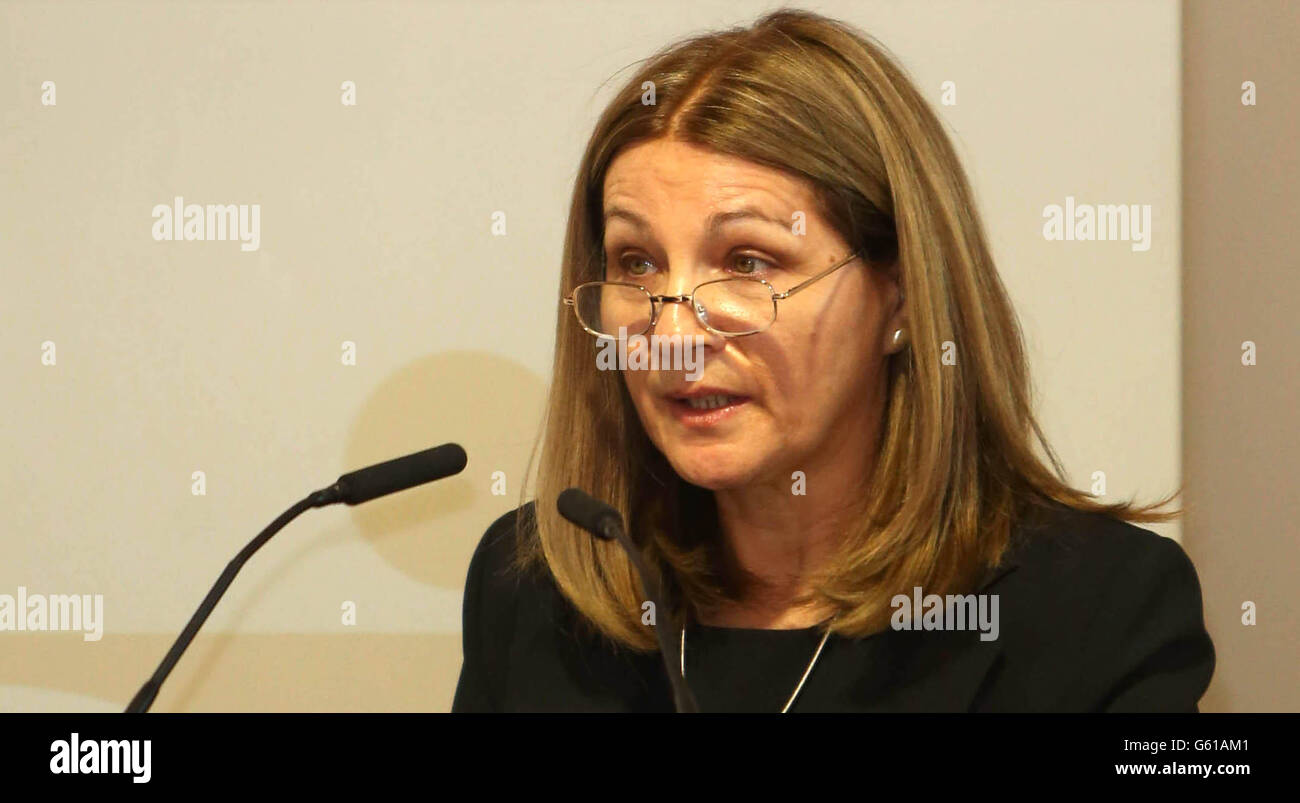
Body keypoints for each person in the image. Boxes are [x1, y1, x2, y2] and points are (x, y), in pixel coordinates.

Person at [452, 9, 1214, 712]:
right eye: (637, 264)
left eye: (748, 262)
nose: (675, 331)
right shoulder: (531, 594)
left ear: (903, 298)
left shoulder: (1101, 610)